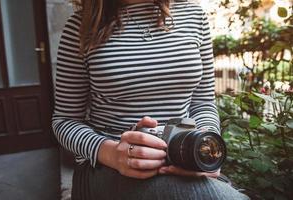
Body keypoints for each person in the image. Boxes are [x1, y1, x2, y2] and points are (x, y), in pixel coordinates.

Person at [52, 0, 249, 199]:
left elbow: (202, 103)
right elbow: (65, 120)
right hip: (107, 166)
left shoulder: (194, 15)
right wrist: (113, 154)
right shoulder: (80, 26)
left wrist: (205, 147)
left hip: (181, 156)